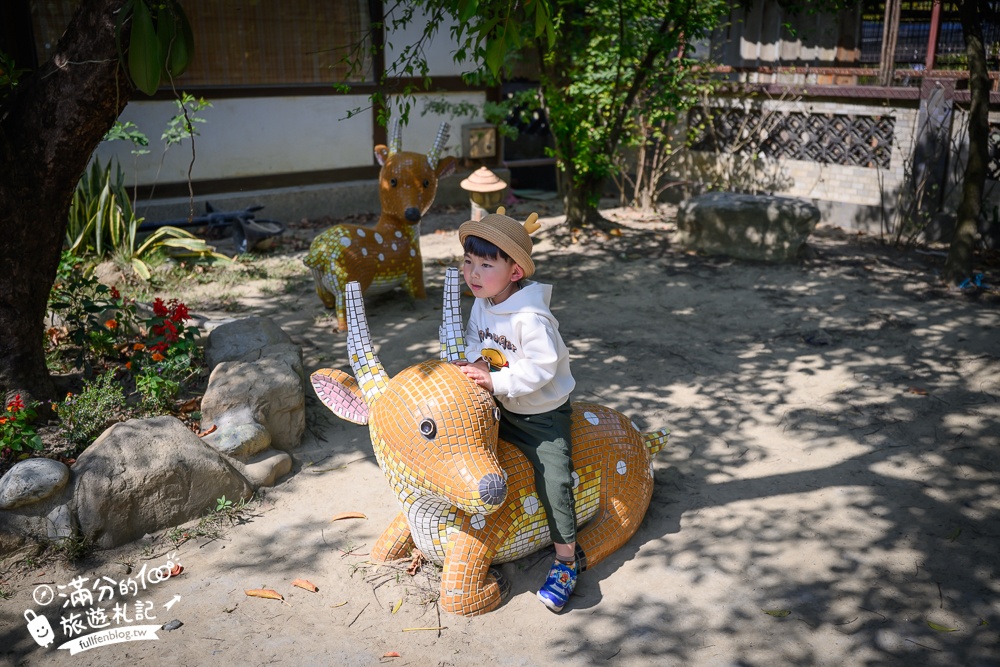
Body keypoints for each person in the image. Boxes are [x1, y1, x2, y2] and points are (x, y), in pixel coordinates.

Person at [455, 207, 578, 612]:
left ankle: (565, 560)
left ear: (514, 272)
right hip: (504, 405)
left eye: (486, 264)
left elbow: (541, 369)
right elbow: (475, 339)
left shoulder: (532, 319)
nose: (473, 273)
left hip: (542, 417)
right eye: (468, 261)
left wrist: (495, 380)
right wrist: (476, 364)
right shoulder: (483, 302)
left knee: (555, 481)